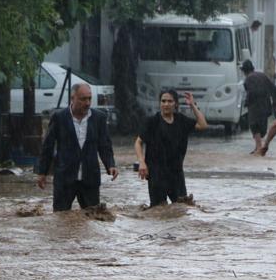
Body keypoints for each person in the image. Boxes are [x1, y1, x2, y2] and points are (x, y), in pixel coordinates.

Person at [37, 83, 118, 211]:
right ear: (72, 98)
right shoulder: (59, 117)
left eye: (89, 98)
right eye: (83, 99)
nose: (87, 103)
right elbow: (48, 146)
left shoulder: (99, 118)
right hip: (65, 179)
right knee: (60, 219)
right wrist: (42, 172)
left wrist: (111, 165)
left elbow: (105, 145)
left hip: (90, 179)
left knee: (92, 220)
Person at [134, 90, 208, 207]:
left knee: (182, 208)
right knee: (158, 210)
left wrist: (192, 105)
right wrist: (142, 163)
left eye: (170, 101)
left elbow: (203, 125)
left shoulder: (181, 120)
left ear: (176, 104)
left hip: (176, 173)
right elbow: (138, 142)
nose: (166, 104)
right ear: (160, 103)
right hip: (156, 174)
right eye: (163, 101)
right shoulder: (152, 122)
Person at [241, 59, 276, 154]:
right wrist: (275, 103)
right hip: (265, 106)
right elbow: (273, 88)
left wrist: (247, 102)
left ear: (244, 71)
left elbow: (251, 93)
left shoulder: (248, 79)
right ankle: (258, 147)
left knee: (254, 126)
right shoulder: (262, 75)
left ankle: (259, 148)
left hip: (254, 106)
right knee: (261, 127)